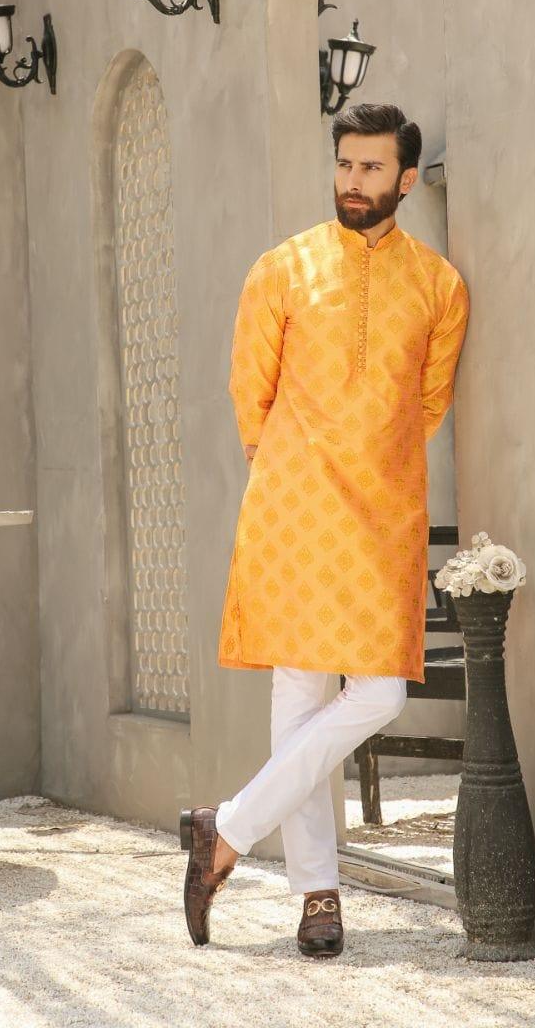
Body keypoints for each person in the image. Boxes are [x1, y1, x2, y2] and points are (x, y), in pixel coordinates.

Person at [180, 103, 470, 958]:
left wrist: (369, 465)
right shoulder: (283, 268)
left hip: (382, 511)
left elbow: (427, 403)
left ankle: (226, 830)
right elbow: (250, 393)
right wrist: (294, 471)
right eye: (345, 164)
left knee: (379, 693)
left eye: (371, 168)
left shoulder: (439, 286)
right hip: (295, 510)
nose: (352, 181)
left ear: (406, 179)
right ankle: (317, 896)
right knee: (301, 698)